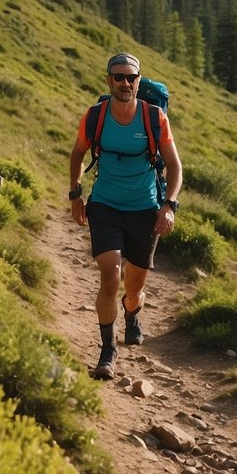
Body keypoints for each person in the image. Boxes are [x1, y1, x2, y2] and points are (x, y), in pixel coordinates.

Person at [69, 52, 183, 380]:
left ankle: (132, 314)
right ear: (108, 80)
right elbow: (78, 152)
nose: (124, 82)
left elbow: (174, 166)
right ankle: (108, 350)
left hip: (145, 209)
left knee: (133, 288)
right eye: (118, 77)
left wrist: (169, 205)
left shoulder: (154, 118)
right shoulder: (95, 117)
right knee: (110, 273)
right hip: (104, 204)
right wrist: (76, 194)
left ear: (138, 80)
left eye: (131, 77)